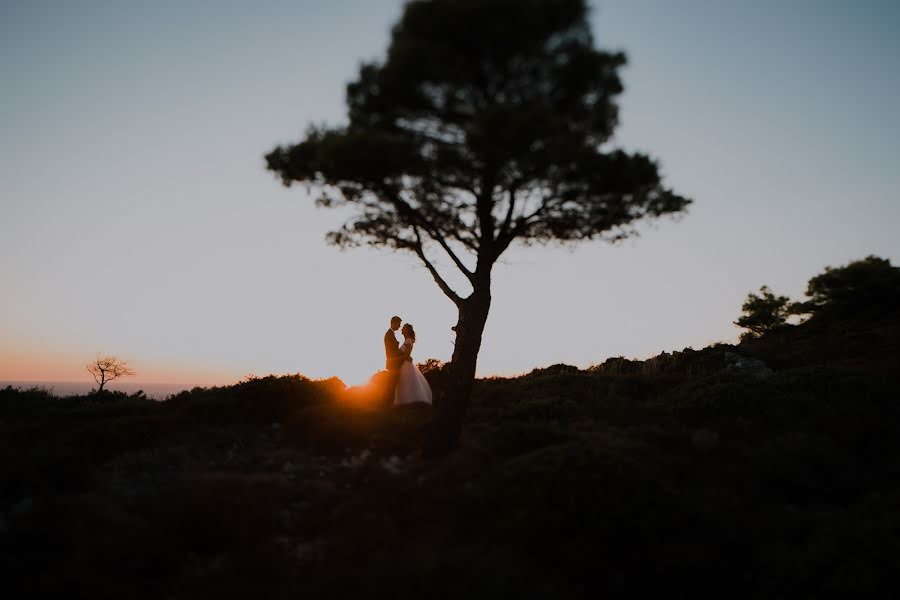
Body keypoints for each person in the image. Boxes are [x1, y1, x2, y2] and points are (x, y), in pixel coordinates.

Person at [394, 323, 433, 405]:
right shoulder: (407, 340)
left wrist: (396, 359)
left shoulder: (408, 340)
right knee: (406, 383)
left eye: (403, 328)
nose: (402, 329)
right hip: (404, 363)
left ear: (407, 330)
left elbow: (407, 355)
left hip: (406, 365)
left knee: (406, 383)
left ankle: (409, 401)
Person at [383, 316, 405, 404]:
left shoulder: (391, 334)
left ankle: (390, 405)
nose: (399, 326)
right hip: (393, 363)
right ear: (394, 323)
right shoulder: (389, 335)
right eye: (399, 324)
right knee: (391, 386)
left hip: (394, 363)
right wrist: (403, 355)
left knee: (393, 386)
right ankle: (388, 405)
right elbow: (392, 351)